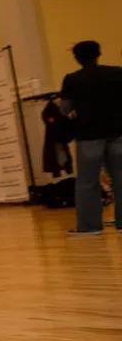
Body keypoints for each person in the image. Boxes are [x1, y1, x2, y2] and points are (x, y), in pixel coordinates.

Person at [61, 40, 122, 235]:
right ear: (99, 53)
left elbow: (65, 108)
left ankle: (90, 227)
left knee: (88, 181)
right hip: (118, 132)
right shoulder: (117, 72)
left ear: (77, 58)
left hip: (88, 135)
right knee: (120, 177)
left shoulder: (72, 79)